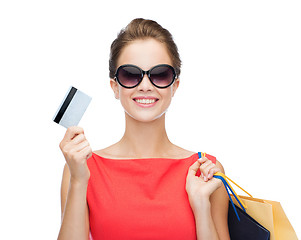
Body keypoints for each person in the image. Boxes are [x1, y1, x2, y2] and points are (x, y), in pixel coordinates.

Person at [57, 18, 230, 240]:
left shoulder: (206, 170)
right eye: (131, 74)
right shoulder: (81, 168)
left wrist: (201, 207)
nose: (146, 86)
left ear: (174, 86)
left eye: (160, 74)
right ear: (115, 86)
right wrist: (79, 180)